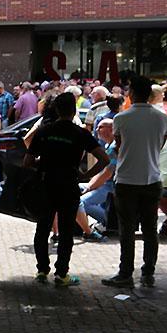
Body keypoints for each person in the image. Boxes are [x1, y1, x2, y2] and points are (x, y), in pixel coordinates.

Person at [24, 92, 109, 287]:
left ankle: (42, 270)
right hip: (69, 185)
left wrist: (43, 163)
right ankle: (62, 274)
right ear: (74, 110)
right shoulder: (80, 133)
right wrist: (85, 175)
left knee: (42, 228)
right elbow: (104, 159)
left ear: (56, 109)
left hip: (46, 184)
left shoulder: (44, 131)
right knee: (66, 231)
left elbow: (27, 161)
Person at [102, 77, 167, 289]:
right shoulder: (162, 118)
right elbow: (160, 144)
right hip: (152, 178)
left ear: (131, 93)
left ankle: (125, 273)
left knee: (127, 229)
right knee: (150, 229)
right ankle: (148, 274)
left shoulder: (121, 118)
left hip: (127, 179)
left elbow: (119, 147)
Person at [79, 118, 117, 232]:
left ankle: (108, 222)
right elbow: (101, 173)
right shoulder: (108, 145)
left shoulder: (114, 148)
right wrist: (89, 185)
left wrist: (90, 188)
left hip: (109, 187)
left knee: (81, 203)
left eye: (100, 127)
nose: (96, 130)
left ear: (111, 129)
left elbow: (107, 174)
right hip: (103, 184)